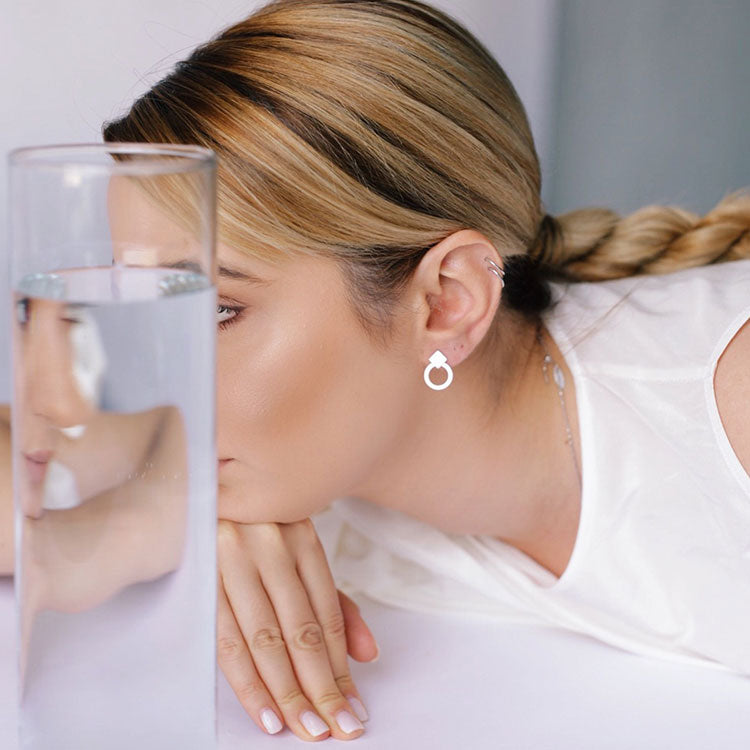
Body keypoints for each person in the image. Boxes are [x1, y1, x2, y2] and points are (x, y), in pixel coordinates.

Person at [3, 0, 749, 742]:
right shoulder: (319, 453)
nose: (154, 378)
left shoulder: (724, 402)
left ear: (448, 304)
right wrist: (179, 522)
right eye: (147, 303)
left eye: (217, 311)